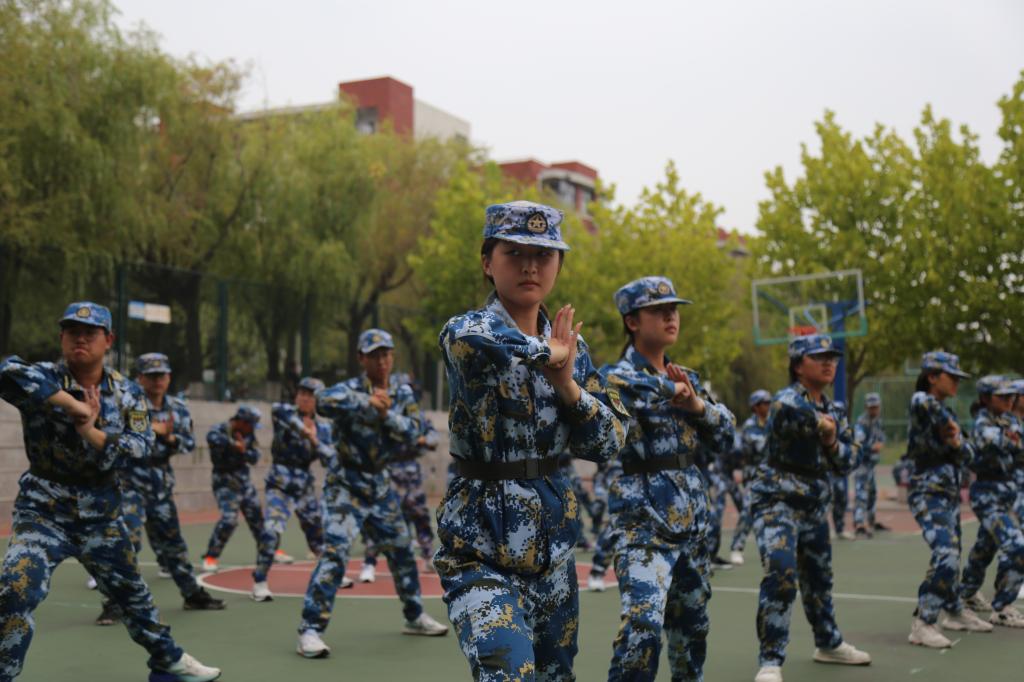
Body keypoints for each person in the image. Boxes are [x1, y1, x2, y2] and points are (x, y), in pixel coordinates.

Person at [435, 200, 627, 680]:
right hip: (480, 547)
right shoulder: (469, 330)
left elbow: (608, 442)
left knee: (554, 675)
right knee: (508, 670)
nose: (530, 266)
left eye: (543, 255)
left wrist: (568, 385)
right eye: (515, 252)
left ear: (558, 264)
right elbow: (473, 342)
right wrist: (547, 351)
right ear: (488, 262)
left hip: (553, 550)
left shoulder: (575, 351)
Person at [0, 302, 220, 681]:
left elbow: (140, 447)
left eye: (90, 333)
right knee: (16, 589)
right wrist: (72, 404)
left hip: (100, 513)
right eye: (72, 331)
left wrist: (90, 431)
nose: (80, 339)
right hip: (43, 511)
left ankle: (168, 662)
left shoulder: (128, 393)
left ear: (109, 340)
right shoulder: (44, 378)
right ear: (62, 338)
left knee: (133, 598)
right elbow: (6, 371)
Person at [601, 275, 734, 682]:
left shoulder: (687, 378)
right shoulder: (616, 377)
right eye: (659, 311)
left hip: (691, 523)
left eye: (674, 309)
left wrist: (696, 405)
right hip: (643, 524)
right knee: (642, 627)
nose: (671, 317)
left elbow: (727, 435)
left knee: (692, 632)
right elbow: (624, 388)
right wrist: (672, 387)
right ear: (632, 321)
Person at [296, 329, 449, 658]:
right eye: (375, 355)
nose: (382, 361)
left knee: (402, 550)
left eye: (386, 355)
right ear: (361, 359)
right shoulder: (349, 389)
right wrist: (365, 401)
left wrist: (385, 414)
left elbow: (414, 431)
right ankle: (310, 630)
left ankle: (414, 616)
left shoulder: (402, 392)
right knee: (335, 553)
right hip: (345, 483)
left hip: (379, 485)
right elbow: (322, 402)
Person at [750, 334, 871, 682]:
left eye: (832, 357)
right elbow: (792, 412)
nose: (829, 363)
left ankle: (828, 643)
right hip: (777, 500)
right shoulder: (785, 400)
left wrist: (832, 439)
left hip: (815, 504)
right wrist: (825, 428)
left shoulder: (836, 410)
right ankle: (770, 660)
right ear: (798, 365)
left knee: (819, 579)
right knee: (781, 571)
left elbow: (849, 460)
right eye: (819, 357)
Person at [95, 352, 225, 625]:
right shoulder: (126, 403)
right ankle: (115, 602)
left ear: (169, 377)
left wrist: (168, 436)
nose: (157, 381)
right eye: (151, 376)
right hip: (128, 482)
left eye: (162, 375)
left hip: (160, 484)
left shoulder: (178, 407)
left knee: (173, 543)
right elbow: (114, 437)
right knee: (128, 540)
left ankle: (192, 594)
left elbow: (188, 443)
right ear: (140, 378)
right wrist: (154, 431)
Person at [905, 351, 992, 649]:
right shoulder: (922, 402)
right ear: (932, 377)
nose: (956, 382)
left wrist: (955, 438)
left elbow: (969, 454)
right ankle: (923, 621)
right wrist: (953, 435)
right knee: (946, 554)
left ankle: (954, 610)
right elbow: (925, 405)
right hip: (927, 493)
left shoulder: (946, 412)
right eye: (951, 377)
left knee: (953, 551)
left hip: (948, 494)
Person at [251, 377, 333, 601]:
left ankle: (330, 576)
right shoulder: (284, 412)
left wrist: (315, 440)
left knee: (318, 536)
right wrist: (304, 431)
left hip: (304, 485)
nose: (305, 398)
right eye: (302, 393)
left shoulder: (324, 428)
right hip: (280, 483)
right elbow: (280, 413)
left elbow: (329, 459)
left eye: (310, 395)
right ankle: (260, 581)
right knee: (271, 531)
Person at [958, 378, 1024, 626]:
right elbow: (1004, 442)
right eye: (1002, 396)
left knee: (985, 547)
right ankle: (1002, 607)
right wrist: (1014, 439)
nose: (1009, 400)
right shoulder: (982, 423)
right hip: (987, 495)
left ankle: (966, 592)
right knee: (1017, 546)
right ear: (986, 399)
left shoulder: (1007, 421)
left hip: (1005, 492)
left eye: (1011, 396)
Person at [359, 380, 439, 582]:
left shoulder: (417, 418)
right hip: (387, 471)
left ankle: (428, 556)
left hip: (410, 472)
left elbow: (433, 438)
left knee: (420, 515)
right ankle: (369, 563)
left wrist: (422, 440)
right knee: (379, 517)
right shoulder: (385, 416)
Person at [202, 406, 264, 572]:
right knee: (229, 520)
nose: (252, 429)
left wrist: (243, 451)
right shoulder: (219, 429)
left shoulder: (249, 434)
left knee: (257, 517)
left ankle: (268, 552)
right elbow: (212, 439)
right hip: (225, 482)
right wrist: (234, 445)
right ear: (242, 422)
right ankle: (211, 556)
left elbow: (255, 457)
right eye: (250, 425)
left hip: (243, 480)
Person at [729, 390, 772, 565]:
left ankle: (771, 551)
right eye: (764, 403)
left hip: (773, 476)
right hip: (754, 476)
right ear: (755, 406)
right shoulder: (749, 426)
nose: (768, 406)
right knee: (747, 510)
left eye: (769, 403)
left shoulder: (774, 423)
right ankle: (736, 548)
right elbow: (742, 454)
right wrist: (739, 471)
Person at [852, 392, 887, 537]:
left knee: (872, 492)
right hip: (862, 463)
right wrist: (872, 447)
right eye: (871, 407)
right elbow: (858, 443)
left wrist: (881, 443)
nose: (874, 410)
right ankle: (859, 522)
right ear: (866, 407)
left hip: (871, 464)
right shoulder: (861, 423)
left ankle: (871, 520)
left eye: (876, 407)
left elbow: (882, 437)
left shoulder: (878, 421)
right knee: (861, 492)